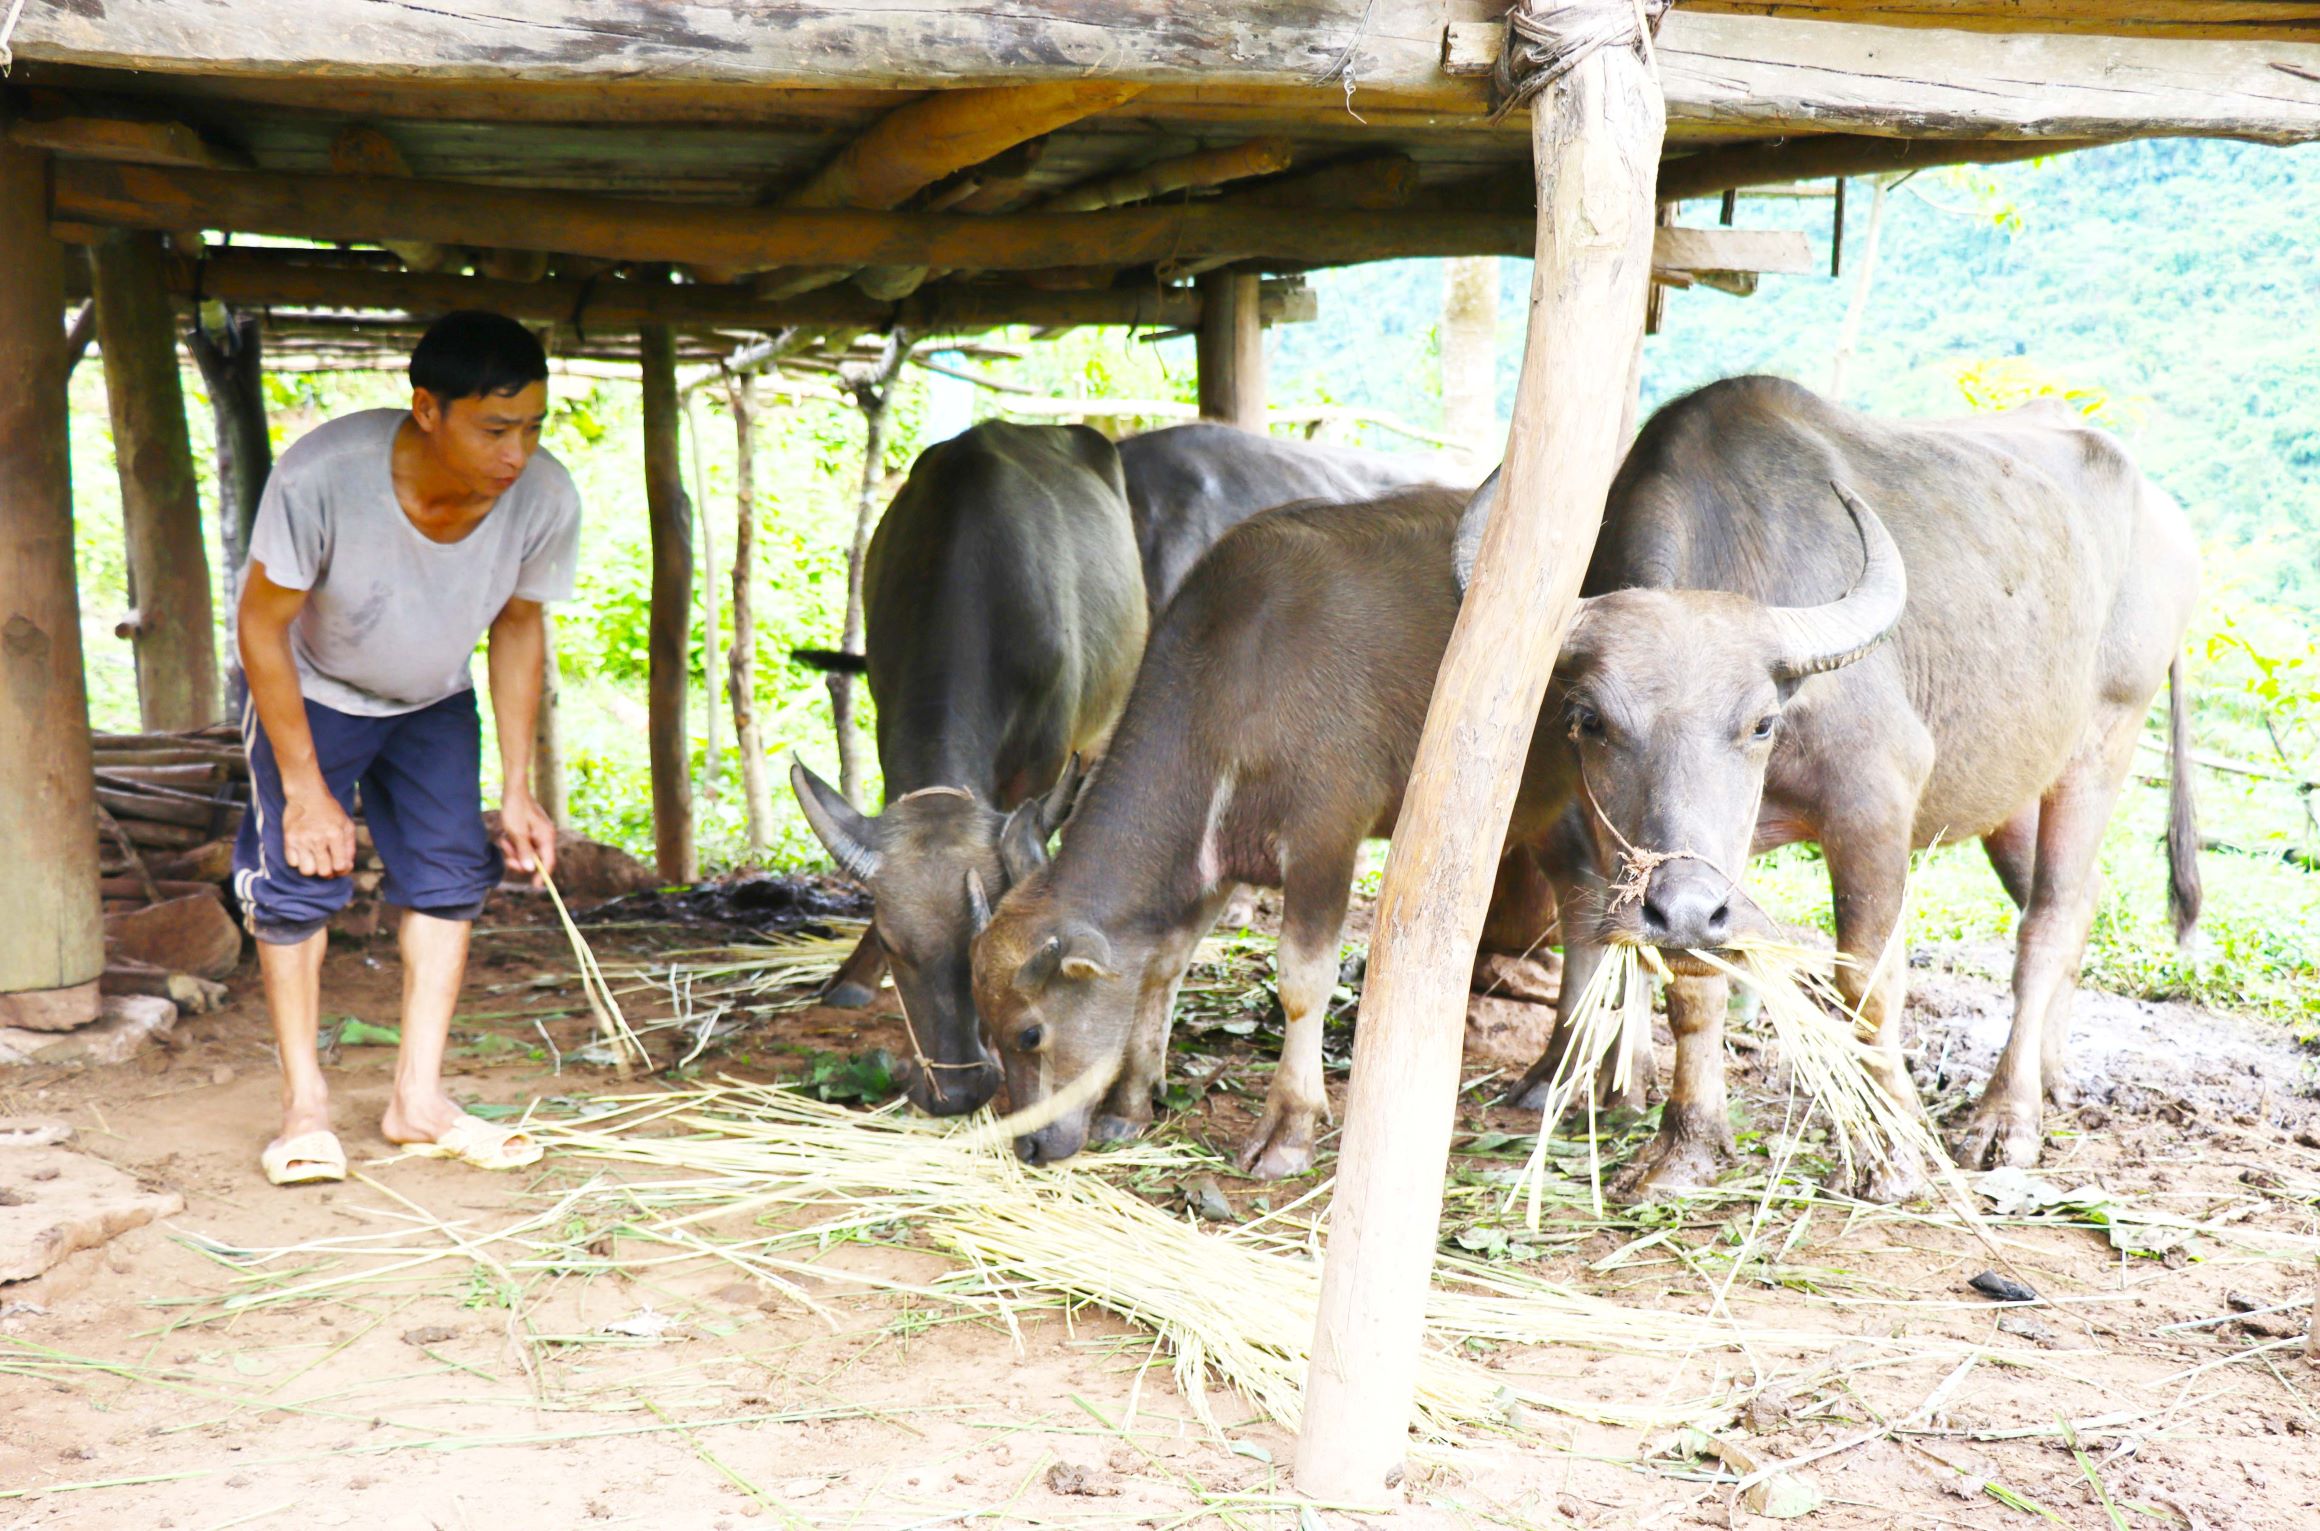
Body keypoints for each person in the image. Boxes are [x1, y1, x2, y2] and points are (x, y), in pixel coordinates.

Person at [233, 310, 579, 1186]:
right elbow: (261, 628)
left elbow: (517, 626)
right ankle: (303, 1108)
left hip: (433, 696)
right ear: (427, 408)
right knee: (298, 877)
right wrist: (305, 786)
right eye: (495, 427)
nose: (518, 452)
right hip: (313, 690)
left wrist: (517, 786)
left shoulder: (542, 497)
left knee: (450, 875)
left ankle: (416, 1100)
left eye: (533, 427)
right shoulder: (324, 477)